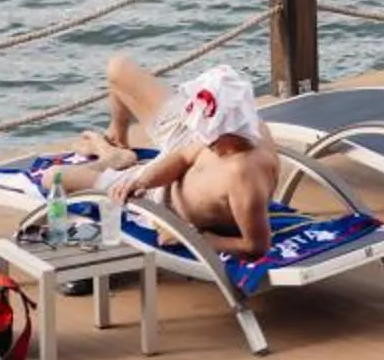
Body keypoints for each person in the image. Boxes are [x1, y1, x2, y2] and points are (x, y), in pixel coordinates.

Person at [58, 55, 277, 259]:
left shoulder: (242, 176)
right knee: (118, 68)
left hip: (160, 197)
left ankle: (115, 159)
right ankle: (117, 140)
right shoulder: (246, 128)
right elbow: (183, 156)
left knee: (54, 178)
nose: (205, 138)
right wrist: (140, 181)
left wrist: (196, 239)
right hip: (165, 168)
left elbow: (256, 246)